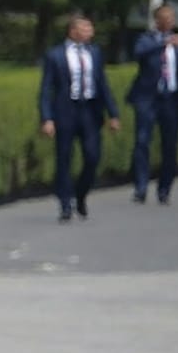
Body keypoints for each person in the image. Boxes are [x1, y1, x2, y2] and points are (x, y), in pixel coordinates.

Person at [38, 14, 120, 221]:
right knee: (64, 159)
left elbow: (103, 84)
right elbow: (46, 88)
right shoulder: (55, 55)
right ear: (73, 31)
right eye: (85, 29)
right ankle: (65, 204)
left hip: (89, 111)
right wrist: (47, 118)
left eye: (90, 29)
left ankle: (81, 194)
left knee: (92, 156)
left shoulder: (95, 53)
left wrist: (113, 114)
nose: (90, 33)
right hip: (65, 110)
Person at [126, 3, 178, 205]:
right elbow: (139, 52)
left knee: (170, 145)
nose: (170, 21)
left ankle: (164, 188)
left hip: (170, 99)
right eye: (166, 17)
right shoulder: (147, 39)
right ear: (157, 20)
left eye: (172, 17)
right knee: (142, 142)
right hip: (147, 98)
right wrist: (164, 43)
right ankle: (141, 187)